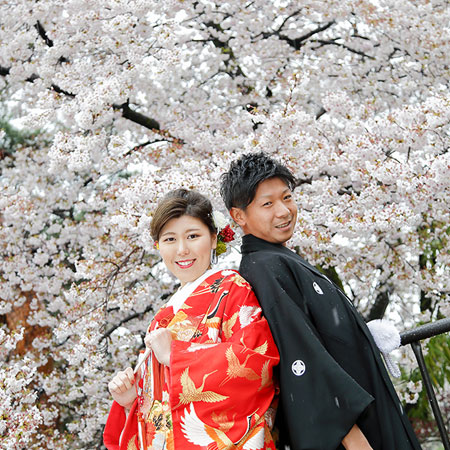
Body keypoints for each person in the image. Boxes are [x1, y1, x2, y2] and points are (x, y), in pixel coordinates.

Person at [220, 152, 422, 450]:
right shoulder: (264, 267)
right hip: (355, 433)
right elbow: (301, 356)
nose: (283, 211)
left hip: (362, 412)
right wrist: (354, 441)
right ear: (239, 216)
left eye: (287, 197)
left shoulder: (276, 259)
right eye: (267, 204)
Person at [103, 188, 280, 450]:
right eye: (170, 239)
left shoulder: (232, 288)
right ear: (158, 246)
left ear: (213, 237)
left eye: (193, 236)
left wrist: (179, 356)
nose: (182, 250)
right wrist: (133, 400)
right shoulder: (163, 317)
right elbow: (160, 409)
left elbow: (256, 363)